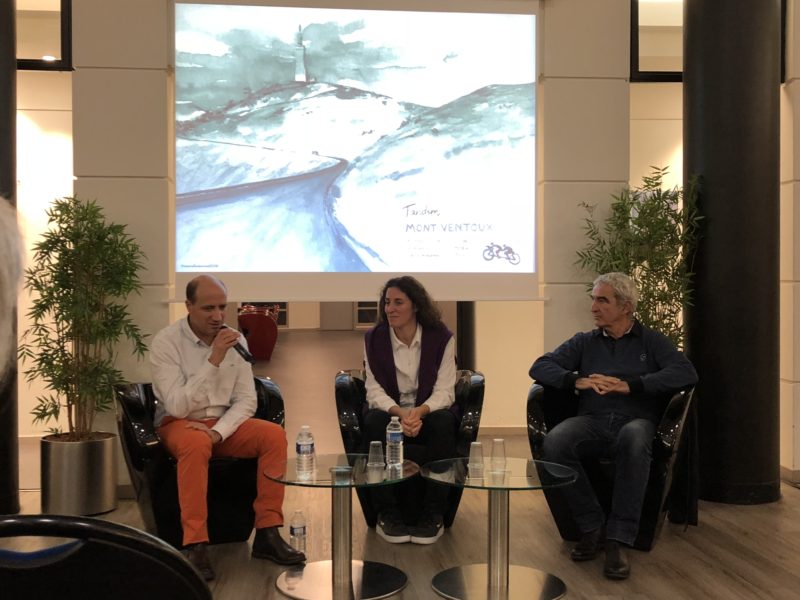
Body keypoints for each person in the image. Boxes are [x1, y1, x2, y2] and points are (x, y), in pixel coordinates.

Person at [529, 272, 698, 581]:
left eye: (602, 300)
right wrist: (575, 380)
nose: (593, 307)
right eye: (593, 299)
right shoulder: (584, 341)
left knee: (634, 439)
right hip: (592, 421)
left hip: (635, 422)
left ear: (626, 307)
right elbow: (540, 366)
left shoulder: (652, 341)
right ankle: (593, 526)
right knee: (555, 442)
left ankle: (618, 540)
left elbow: (686, 373)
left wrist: (630, 386)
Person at [150, 275, 305, 580]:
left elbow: (247, 401)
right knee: (195, 445)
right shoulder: (166, 342)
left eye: (222, 307)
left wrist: (219, 431)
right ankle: (195, 543)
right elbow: (178, 406)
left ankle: (267, 533)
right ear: (188, 306)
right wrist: (214, 359)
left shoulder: (238, 341)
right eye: (208, 308)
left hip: (221, 426)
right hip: (180, 423)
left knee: (273, 436)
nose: (218, 316)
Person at [363, 276, 457, 545]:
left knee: (442, 423)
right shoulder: (373, 338)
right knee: (373, 422)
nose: (389, 309)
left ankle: (433, 513)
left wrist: (419, 412)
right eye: (387, 302)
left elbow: (445, 391)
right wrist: (401, 414)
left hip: (427, 410)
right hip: (393, 411)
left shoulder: (441, 337)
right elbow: (373, 390)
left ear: (415, 306)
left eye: (398, 302)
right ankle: (387, 512)